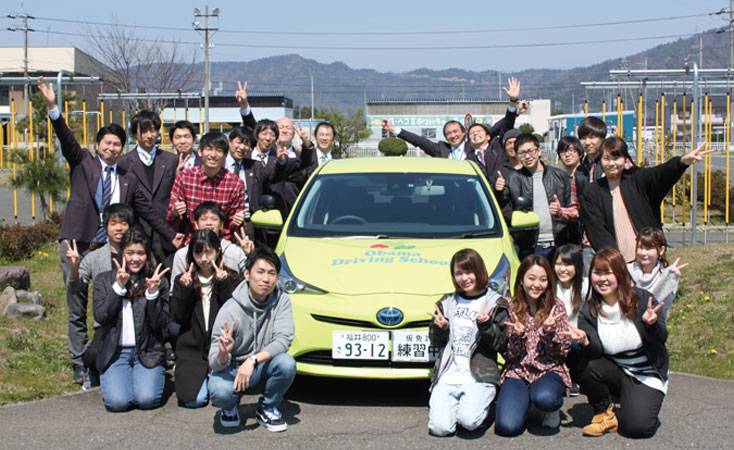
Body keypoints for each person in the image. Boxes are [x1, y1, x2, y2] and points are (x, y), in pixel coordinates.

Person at [37, 76, 182, 385]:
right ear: (98, 145)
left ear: (122, 148)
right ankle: (79, 360)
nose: (113, 147)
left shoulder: (128, 177)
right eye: (107, 143)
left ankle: (106, 355)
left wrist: (172, 235)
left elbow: (150, 212)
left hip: (112, 251)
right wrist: (53, 107)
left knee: (112, 303)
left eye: (117, 144)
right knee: (76, 304)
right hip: (79, 244)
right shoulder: (83, 164)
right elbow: (65, 137)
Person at [566, 248, 669, 438]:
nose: (602, 279)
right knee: (580, 359)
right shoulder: (589, 310)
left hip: (646, 372)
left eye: (608, 273)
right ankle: (604, 412)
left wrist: (651, 325)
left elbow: (661, 338)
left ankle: (633, 404)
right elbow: (595, 351)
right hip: (616, 370)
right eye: (597, 273)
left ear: (620, 274)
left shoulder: (641, 299)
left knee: (637, 428)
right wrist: (585, 340)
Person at [207, 247, 296, 431]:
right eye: (260, 272)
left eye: (272, 273)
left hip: (260, 365)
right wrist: (224, 352)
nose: (266, 279)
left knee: (287, 363)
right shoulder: (230, 308)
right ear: (247, 274)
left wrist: (253, 360)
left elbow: (283, 339)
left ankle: (268, 407)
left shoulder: (282, 301)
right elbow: (214, 363)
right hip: (231, 368)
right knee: (219, 391)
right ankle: (229, 406)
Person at [581, 137, 706, 262]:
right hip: (619, 265)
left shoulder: (637, 179)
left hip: (649, 260)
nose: (612, 163)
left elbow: (659, 174)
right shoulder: (592, 192)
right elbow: (596, 231)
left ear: (625, 159)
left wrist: (682, 162)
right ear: (600, 161)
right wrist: (614, 261)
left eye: (616, 158)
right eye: (606, 159)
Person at [428, 249, 508, 436]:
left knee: (469, 421)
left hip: (478, 375)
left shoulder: (495, 303)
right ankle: (457, 405)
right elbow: (435, 341)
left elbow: (502, 344)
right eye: (458, 273)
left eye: (468, 272)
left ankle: (483, 406)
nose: (464, 278)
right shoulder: (446, 302)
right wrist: (441, 328)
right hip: (448, 374)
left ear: (479, 271)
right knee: (440, 429)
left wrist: (486, 325)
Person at [92, 227, 170, 412]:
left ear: (147, 254)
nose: (135, 258)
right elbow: (101, 316)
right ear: (121, 253)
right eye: (130, 253)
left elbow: (161, 325)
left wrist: (152, 295)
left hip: (148, 351)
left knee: (147, 399)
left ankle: (149, 376)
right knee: (118, 402)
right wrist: (118, 287)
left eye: (141, 253)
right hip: (115, 352)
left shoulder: (158, 281)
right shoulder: (104, 280)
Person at [494, 254, 572, 436]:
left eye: (543, 279)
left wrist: (548, 332)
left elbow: (563, 351)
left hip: (549, 369)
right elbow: (509, 356)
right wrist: (518, 336)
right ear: (521, 280)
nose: (537, 284)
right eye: (531, 278)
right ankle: (522, 401)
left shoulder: (556, 306)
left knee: (545, 398)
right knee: (507, 427)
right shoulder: (511, 307)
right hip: (518, 371)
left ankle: (548, 407)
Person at [66, 204, 133, 388]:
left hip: (134, 325)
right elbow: (77, 290)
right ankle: (91, 368)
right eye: (113, 223)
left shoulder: (138, 255)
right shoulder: (94, 258)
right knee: (96, 354)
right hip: (106, 326)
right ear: (106, 227)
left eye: (123, 223)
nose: (119, 228)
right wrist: (74, 269)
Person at [383, 77, 522, 160]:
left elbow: (500, 127)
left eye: (455, 131)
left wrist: (513, 105)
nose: (453, 135)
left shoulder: (475, 144)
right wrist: (393, 129)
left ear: (464, 132)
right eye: (448, 133)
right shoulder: (440, 149)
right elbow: (418, 140)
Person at [171, 229, 235, 408]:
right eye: (198, 252)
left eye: (209, 252)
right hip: (192, 350)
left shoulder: (229, 277)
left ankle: (213, 378)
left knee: (221, 397)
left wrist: (223, 284)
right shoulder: (183, 280)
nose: (204, 258)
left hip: (220, 348)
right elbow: (177, 317)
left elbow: (233, 314)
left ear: (218, 251)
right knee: (195, 400)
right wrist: (185, 289)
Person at [118, 109, 182, 269]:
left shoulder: (171, 160)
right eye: (144, 131)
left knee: (167, 274)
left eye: (153, 130)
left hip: (166, 230)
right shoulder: (124, 163)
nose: (149, 135)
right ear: (135, 134)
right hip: (138, 229)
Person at [167, 131, 247, 244]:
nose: (213, 155)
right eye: (209, 149)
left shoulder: (235, 183)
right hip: (191, 242)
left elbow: (233, 225)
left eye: (219, 150)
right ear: (200, 151)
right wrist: (175, 212)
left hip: (222, 243)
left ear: (225, 155)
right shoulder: (185, 177)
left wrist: (238, 221)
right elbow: (170, 217)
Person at [506, 133, 574, 259]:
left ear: (539, 151)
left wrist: (561, 211)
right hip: (531, 247)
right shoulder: (513, 178)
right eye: (522, 153)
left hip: (559, 244)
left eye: (530, 151)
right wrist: (499, 191)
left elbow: (572, 207)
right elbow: (506, 210)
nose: (527, 156)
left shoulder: (559, 175)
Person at [170, 201, 252, 287]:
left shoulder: (235, 252)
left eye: (214, 219)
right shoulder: (182, 255)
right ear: (196, 224)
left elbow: (250, 280)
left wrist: (249, 254)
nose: (209, 223)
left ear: (221, 225)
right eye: (204, 219)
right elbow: (173, 291)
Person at [627, 227, 686, 320]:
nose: (643, 253)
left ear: (661, 250)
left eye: (648, 248)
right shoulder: (626, 271)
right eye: (640, 247)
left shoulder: (667, 275)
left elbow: (663, 309)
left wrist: (669, 279)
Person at [553, 243, 588, 395]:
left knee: (575, 345)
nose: (562, 269)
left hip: (577, 337)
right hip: (555, 336)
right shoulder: (551, 287)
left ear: (577, 266)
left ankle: (574, 378)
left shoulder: (585, 286)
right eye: (559, 264)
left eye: (568, 264)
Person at [556, 136, 588, 246]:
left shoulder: (588, 175)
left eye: (571, 150)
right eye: (563, 151)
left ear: (580, 153)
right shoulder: (557, 178)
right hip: (562, 234)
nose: (567, 154)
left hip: (584, 232)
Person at [577, 116, 607, 183]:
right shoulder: (580, 170)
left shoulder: (612, 166)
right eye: (583, 138)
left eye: (592, 137)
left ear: (602, 139)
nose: (587, 142)